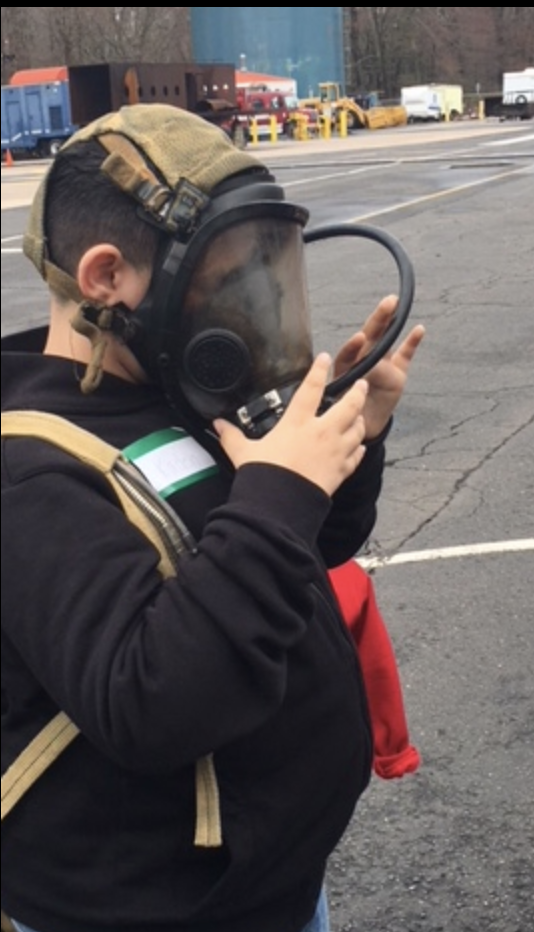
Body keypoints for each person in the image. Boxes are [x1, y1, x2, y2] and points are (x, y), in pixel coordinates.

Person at [1, 103, 425, 932]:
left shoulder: (173, 389)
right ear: (105, 279)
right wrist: (276, 494)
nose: (248, 301)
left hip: (276, 885)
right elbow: (151, 700)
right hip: (161, 910)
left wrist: (349, 446)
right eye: (222, 275)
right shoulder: (28, 470)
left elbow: (306, 551)